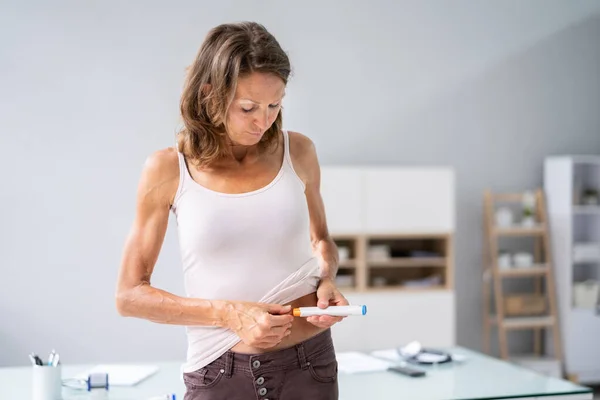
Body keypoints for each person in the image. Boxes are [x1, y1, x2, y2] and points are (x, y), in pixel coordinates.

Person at [115, 21, 348, 400]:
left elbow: (321, 241)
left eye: (275, 105)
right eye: (248, 107)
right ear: (210, 93)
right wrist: (227, 313)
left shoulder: (299, 152)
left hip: (312, 367)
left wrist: (326, 282)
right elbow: (129, 296)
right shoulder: (168, 169)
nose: (264, 120)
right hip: (219, 374)